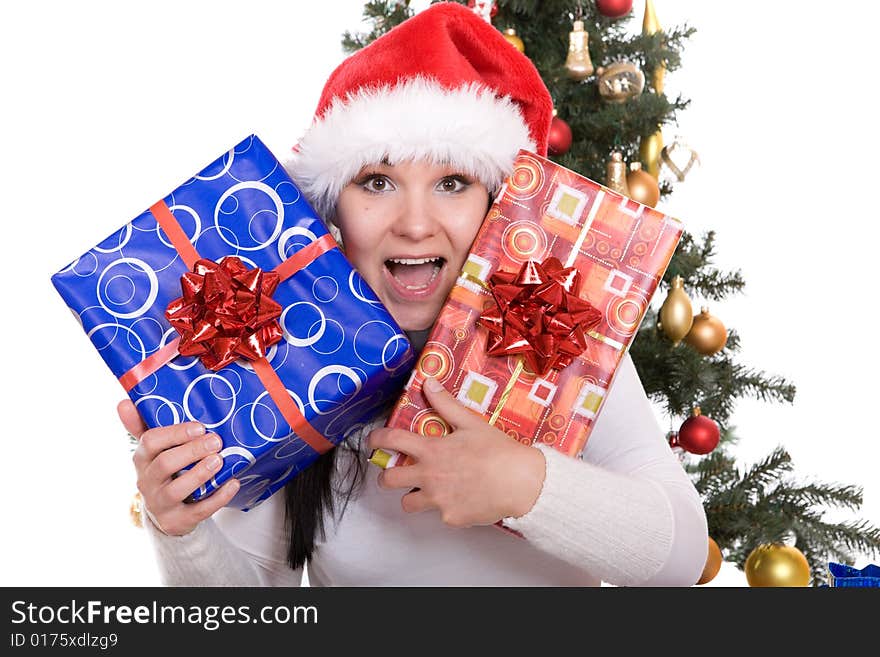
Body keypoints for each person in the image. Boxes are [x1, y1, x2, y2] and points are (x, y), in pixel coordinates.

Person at [118, 2, 708, 587]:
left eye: (452, 182)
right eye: (378, 182)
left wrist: (525, 485)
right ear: (331, 209)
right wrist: (183, 530)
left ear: (498, 205)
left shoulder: (558, 331)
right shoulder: (291, 357)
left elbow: (681, 561)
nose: (417, 224)